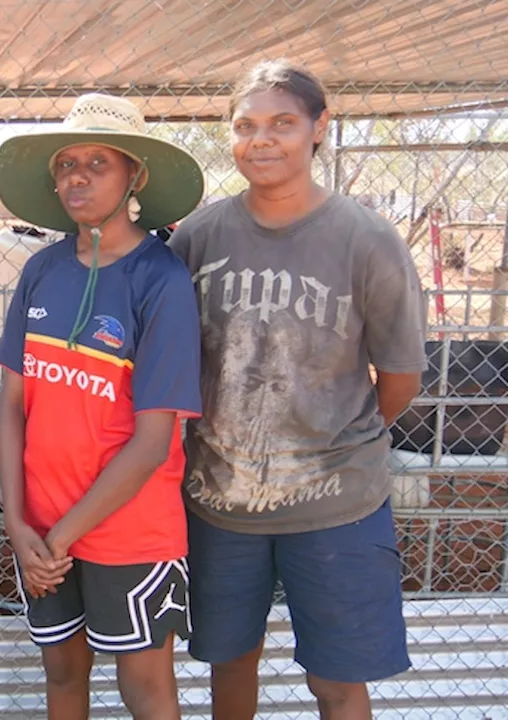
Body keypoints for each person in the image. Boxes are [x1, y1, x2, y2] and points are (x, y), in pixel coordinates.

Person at [167, 59, 426, 720]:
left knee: (337, 682)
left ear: (318, 129)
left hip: (338, 505)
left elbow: (399, 378)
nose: (263, 139)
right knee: (230, 665)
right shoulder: (198, 237)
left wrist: (335, 440)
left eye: (283, 123)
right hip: (220, 503)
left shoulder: (366, 240)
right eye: (247, 125)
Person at [0, 93, 206, 718]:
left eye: (96, 162)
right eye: (65, 164)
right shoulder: (40, 271)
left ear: (133, 175)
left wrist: (59, 537)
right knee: (62, 674)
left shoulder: (159, 279)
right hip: (40, 527)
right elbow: (12, 405)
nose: (76, 177)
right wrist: (18, 523)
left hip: (130, 530)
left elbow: (152, 440)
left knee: (145, 687)